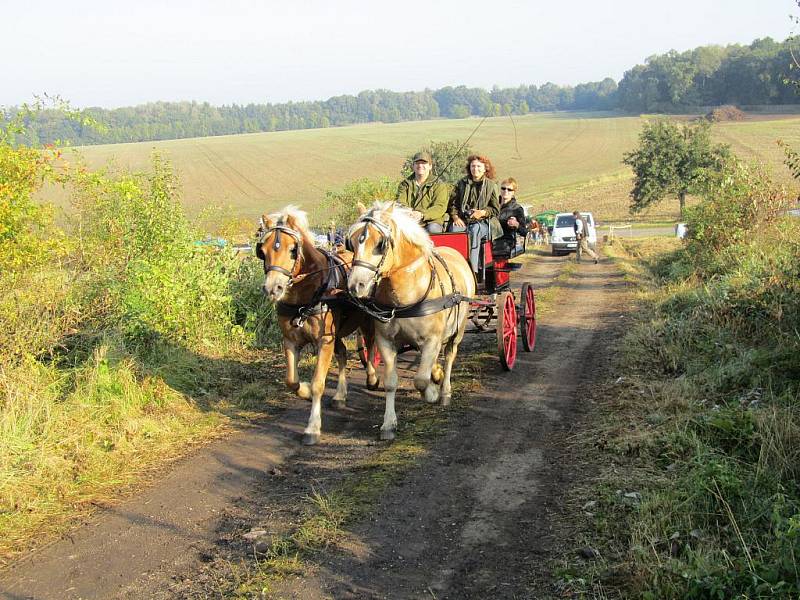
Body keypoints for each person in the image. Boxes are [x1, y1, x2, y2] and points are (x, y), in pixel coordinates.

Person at [449, 154, 502, 275]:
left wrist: (482, 212)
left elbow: (495, 209)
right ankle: (455, 268)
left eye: (479, 166)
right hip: (463, 220)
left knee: (475, 230)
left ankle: (473, 271)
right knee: (454, 230)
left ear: (485, 169)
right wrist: (455, 217)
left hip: (484, 223)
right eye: (473, 166)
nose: (475, 169)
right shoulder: (462, 183)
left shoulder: (491, 185)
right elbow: (452, 204)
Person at [395, 151, 449, 233]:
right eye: (417, 163)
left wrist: (422, 215)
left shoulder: (439, 185)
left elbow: (440, 207)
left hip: (431, 221)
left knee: (433, 229)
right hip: (409, 220)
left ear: (430, 166)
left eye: (424, 163)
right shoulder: (405, 184)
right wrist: (409, 213)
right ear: (413, 166)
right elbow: (400, 203)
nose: (420, 166)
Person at [493, 177, 527, 256]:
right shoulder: (492, 205)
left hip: (505, 242)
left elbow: (524, 232)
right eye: (503, 188)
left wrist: (516, 224)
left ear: (513, 192)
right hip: (487, 238)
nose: (506, 191)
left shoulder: (517, 209)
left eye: (509, 189)